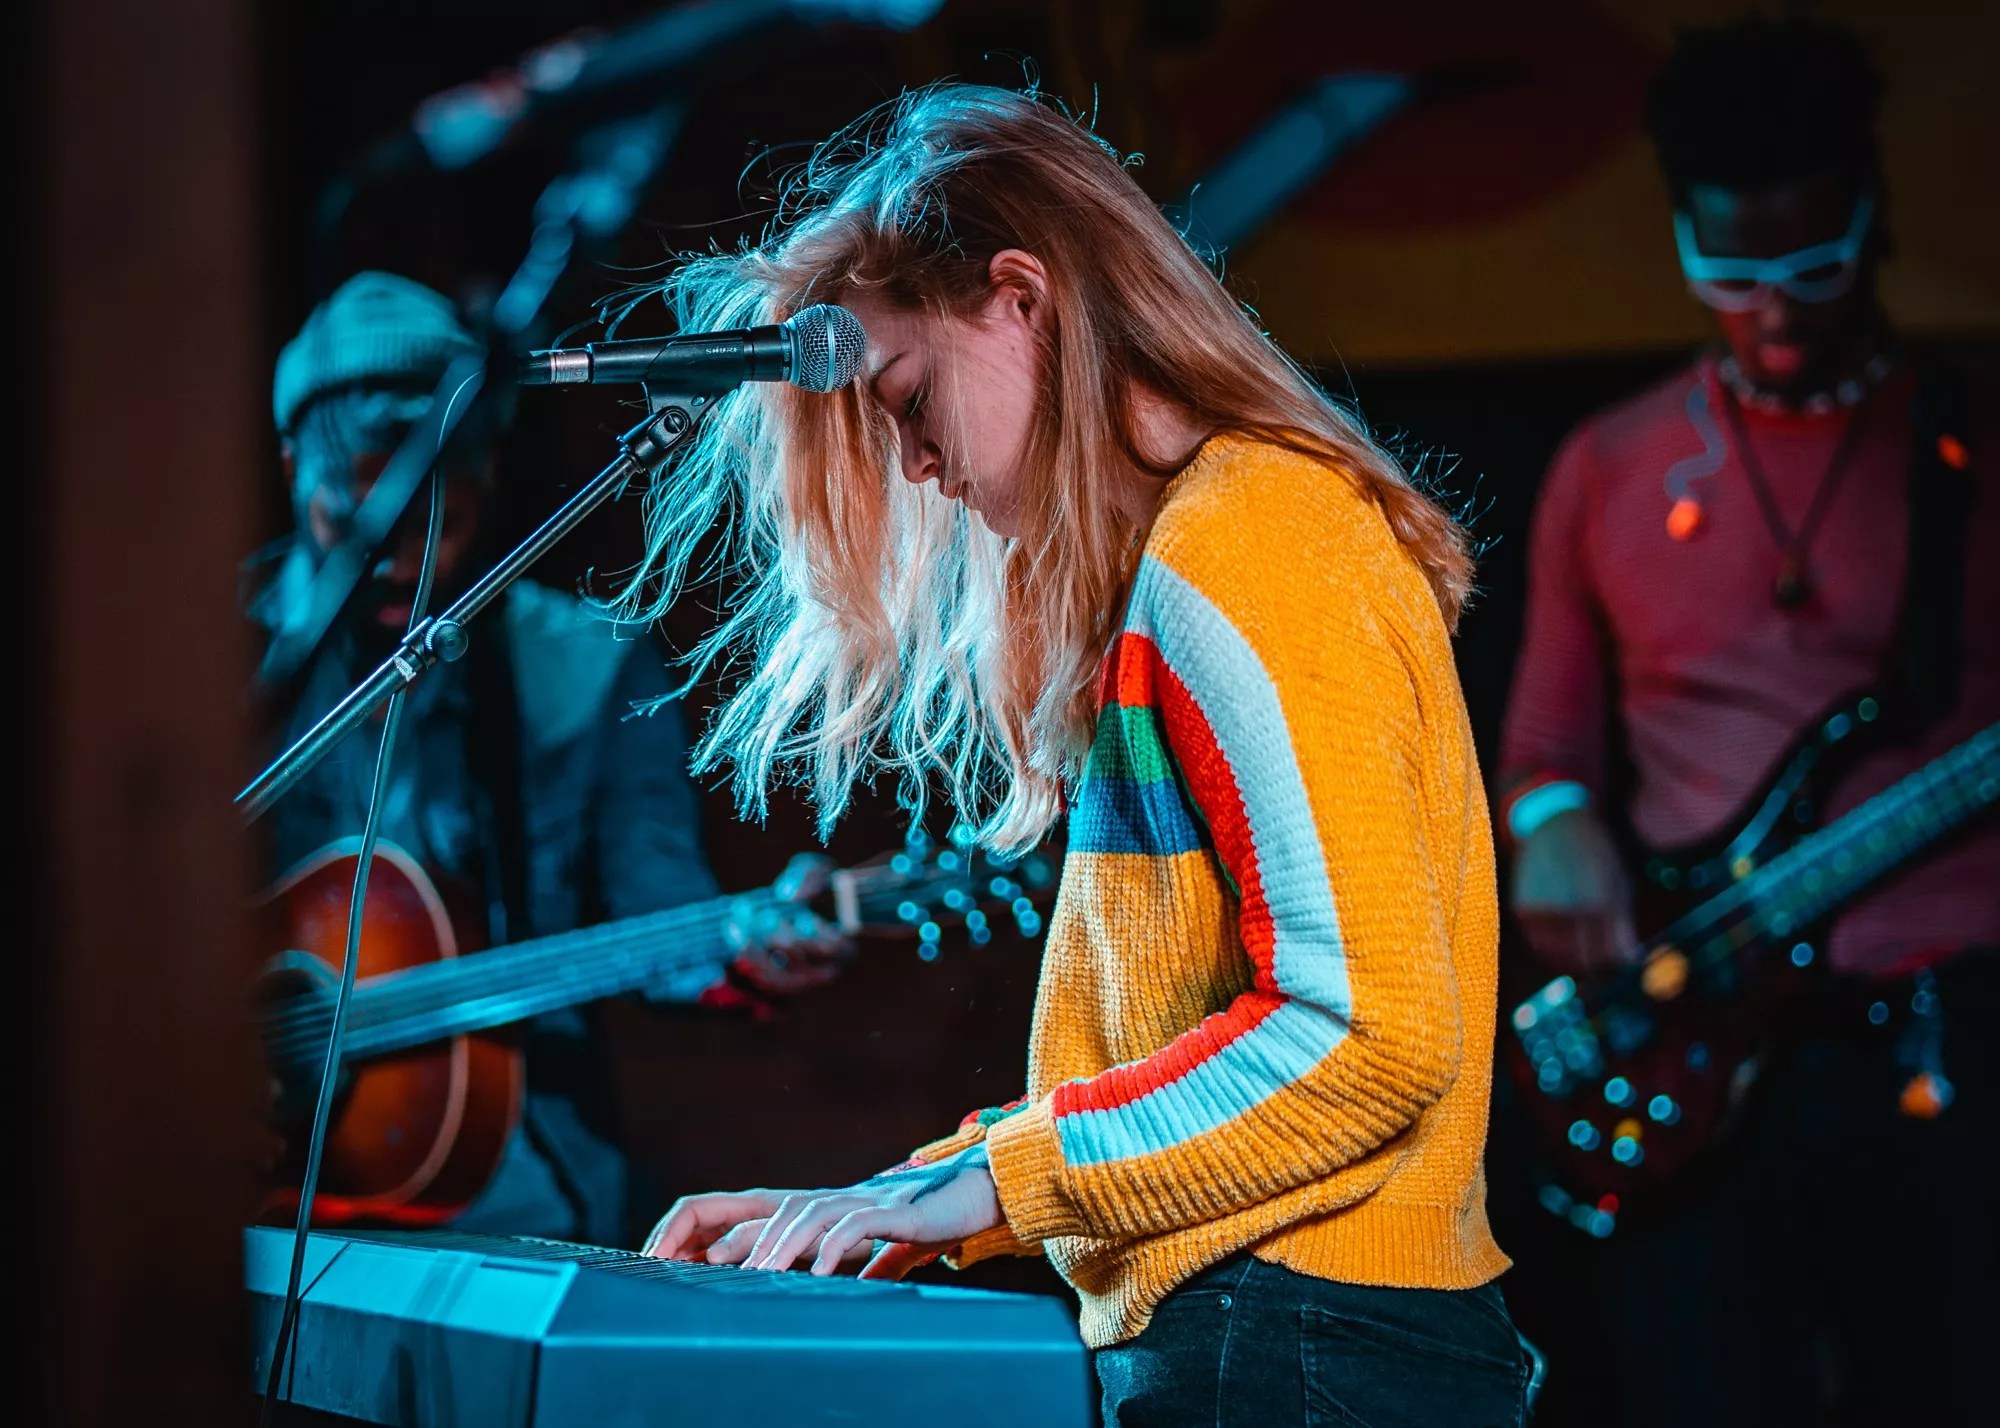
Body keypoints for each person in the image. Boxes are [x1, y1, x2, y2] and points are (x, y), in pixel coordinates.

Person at [627, 86, 1526, 1426]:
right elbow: (1191, 1046)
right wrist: (906, 1195)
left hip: (1299, 1333)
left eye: (906, 395)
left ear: (1021, 299)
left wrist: (990, 1184)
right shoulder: (1208, 547)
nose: (912, 462)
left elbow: (1364, 1036)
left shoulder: (1249, 541)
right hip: (1284, 1329)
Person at [1498, 19, 1997, 1426]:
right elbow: (1544, 753)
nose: (1772, 314)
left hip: (1949, 1018)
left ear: (1873, 216)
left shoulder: (1972, 436)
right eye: (1729, 276)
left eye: (1811, 268)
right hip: (1693, 1028)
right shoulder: (1610, 464)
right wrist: (1553, 828)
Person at [255, 270, 847, 1246]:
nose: (397, 559)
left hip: (501, 1176)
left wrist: (745, 951)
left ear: (486, 474)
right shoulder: (199, 665)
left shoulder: (584, 669)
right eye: (353, 521)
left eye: (436, 517)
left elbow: (658, 907)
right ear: (289, 470)